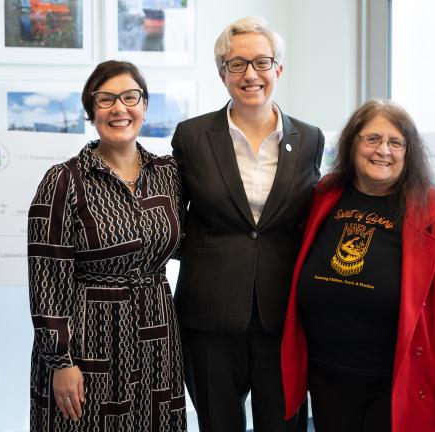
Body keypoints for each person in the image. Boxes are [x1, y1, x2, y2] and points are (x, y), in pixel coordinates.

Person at [281, 99, 435, 432]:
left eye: (395, 142)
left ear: (409, 151)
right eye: (372, 139)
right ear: (352, 143)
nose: (383, 150)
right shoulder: (323, 197)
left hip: (396, 387)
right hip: (327, 379)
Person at [171, 16, 324, 432]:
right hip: (209, 314)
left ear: (279, 69)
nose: (250, 74)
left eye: (262, 62)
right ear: (222, 73)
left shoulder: (310, 139)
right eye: (237, 64)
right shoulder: (192, 136)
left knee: (285, 424)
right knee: (218, 423)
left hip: (284, 314)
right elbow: (170, 217)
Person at [28, 60, 186, 432]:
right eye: (106, 99)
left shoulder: (168, 174)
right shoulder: (63, 181)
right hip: (88, 340)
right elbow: (46, 278)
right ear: (91, 111)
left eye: (130, 97)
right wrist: (60, 361)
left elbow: (188, 241)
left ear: (144, 106)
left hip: (157, 338)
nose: (119, 108)